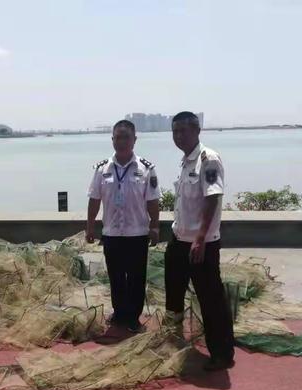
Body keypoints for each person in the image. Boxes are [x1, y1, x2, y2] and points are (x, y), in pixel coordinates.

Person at [165, 111, 234, 371]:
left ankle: (222, 353)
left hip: (201, 244)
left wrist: (201, 238)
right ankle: (173, 339)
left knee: (210, 298)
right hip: (179, 240)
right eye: (175, 132)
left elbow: (212, 198)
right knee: (173, 292)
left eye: (184, 131)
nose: (179, 136)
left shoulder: (208, 159)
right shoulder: (185, 162)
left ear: (197, 130)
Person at [86, 120, 160, 333]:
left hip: (137, 233)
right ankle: (119, 313)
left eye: (126, 137)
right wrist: (90, 227)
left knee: (137, 278)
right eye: (117, 137)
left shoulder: (146, 168)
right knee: (116, 276)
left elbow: (152, 200)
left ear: (134, 140)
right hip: (111, 233)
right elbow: (94, 199)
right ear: (112, 140)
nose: (121, 141)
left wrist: (154, 227)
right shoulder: (102, 169)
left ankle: (133, 317)